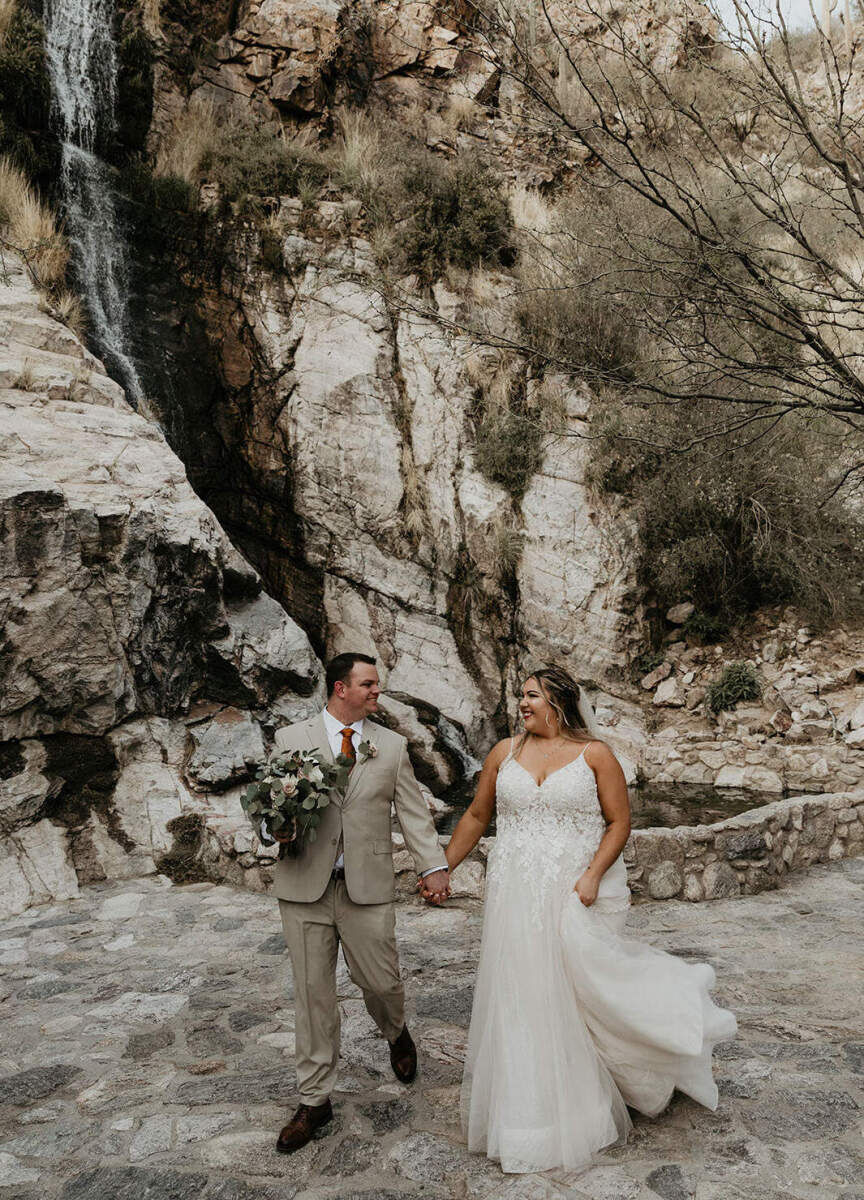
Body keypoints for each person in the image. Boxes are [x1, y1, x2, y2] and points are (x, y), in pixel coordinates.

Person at [441, 664, 737, 1174]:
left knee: (582, 989)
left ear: (558, 700)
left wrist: (594, 874)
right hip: (514, 896)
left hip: (571, 892)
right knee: (524, 994)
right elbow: (475, 816)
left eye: (531, 696)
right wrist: (441, 867)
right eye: (522, 697)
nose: (523, 704)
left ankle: (645, 1049)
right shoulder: (502, 754)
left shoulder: (595, 755)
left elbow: (620, 821)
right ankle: (528, 1115)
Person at [265, 652, 450, 1154]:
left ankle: (396, 1032)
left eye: (377, 685)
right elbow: (272, 806)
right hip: (305, 885)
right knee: (313, 995)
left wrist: (433, 866)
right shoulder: (291, 740)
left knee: (381, 981)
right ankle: (314, 1100)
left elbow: (412, 811)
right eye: (368, 685)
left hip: (366, 886)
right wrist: (274, 827)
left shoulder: (389, 745)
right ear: (339, 688)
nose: (376, 693)